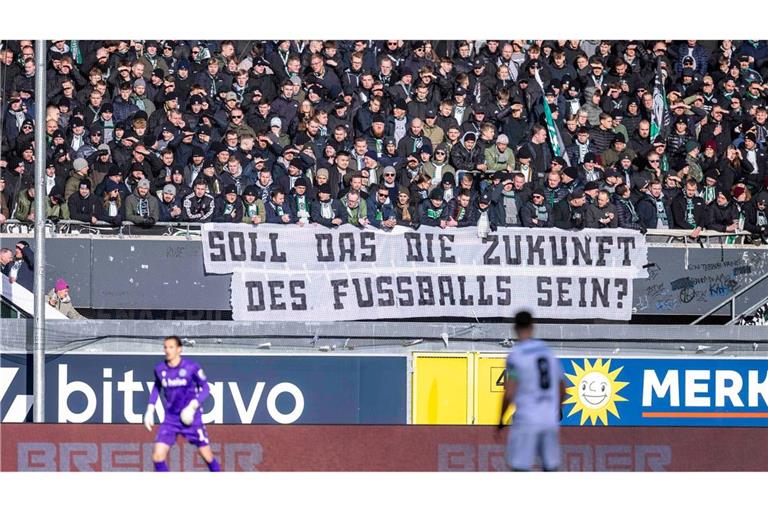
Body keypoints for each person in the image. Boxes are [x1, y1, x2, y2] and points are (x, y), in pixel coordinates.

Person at [498, 311, 564, 472]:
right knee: (551, 468)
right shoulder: (547, 353)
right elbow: (562, 387)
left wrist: (501, 419)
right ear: (533, 327)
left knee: (520, 468)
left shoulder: (516, 356)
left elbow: (510, 392)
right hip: (549, 419)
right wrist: (556, 411)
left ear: (514, 328)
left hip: (526, 420)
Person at [143, 335, 220, 472]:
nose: (167, 350)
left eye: (171, 347)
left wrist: (193, 406)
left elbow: (206, 388)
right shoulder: (160, 369)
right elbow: (156, 387)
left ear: (179, 349)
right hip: (171, 419)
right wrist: (150, 408)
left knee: (207, 455)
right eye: (165, 347)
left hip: (191, 418)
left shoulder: (191, 367)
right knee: (157, 456)